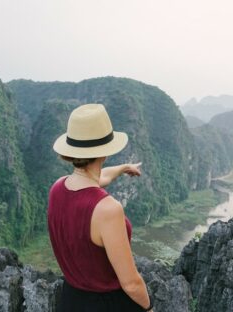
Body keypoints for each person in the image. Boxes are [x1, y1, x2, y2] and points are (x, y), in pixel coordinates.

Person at [48, 103, 154, 312]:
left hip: (70, 300)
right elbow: (131, 283)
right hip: (107, 305)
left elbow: (96, 178)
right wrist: (149, 308)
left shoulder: (58, 187)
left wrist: (124, 168)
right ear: (105, 152)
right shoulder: (108, 209)